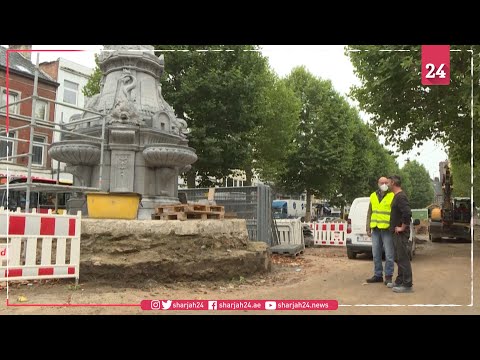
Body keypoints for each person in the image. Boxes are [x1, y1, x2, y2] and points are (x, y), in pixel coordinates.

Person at [365, 176, 395, 285]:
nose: (383, 184)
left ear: (388, 183)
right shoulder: (373, 196)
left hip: (387, 229)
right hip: (376, 229)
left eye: (385, 182)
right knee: (376, 254)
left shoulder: (392, 196)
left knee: (389, 254)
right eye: (381, 182)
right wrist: (368, 227)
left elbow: (395, 213)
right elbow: (370, 212)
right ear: (378, 183)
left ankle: (388, 276)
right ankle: (378, 275)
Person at [386, 175, 413, 293]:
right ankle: (400, 280)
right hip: (395, 233)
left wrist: (402, 227)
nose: (386, 185)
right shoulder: (396, 196)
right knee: (398, 258)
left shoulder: (401, 197)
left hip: (400, 234)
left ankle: (407, 284)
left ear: (393, 183)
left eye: (387, 182)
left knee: (403, 258)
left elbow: (407, 213)